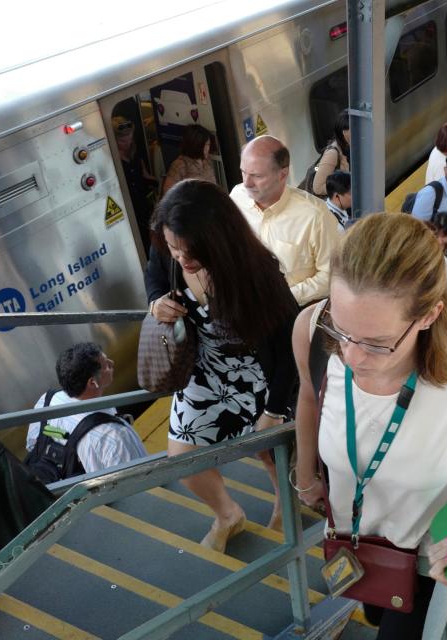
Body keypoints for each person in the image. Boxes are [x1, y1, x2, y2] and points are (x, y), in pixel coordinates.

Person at [290, 214, 447, 638]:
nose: (352, 357)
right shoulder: (310, 329)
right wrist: (306, 477)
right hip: (350, 538)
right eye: (341, 331)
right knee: (372, 611)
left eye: (378, 344)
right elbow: (309, 395)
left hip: (428, 563)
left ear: (430, 315)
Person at [146, 179, 299, 551]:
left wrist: (275, 409)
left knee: (267, 449)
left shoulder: (258, 274)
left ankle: (286, 503)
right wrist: (155, 301)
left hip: (255, 372)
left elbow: (290, 348)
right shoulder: (171, 247)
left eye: (191, 253)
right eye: (173, 249)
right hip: (204, 368)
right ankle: (229, 514)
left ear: (217, 240)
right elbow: (154, 273)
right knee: (182, 459)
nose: (181, 259)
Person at [230, 135, 339, 306]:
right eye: (243, 172)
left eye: (256, 176)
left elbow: (331, 275)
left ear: (283, 174)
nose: (247, 183)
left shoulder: (315, 216)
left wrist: (283, 298)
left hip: (292, 310)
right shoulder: (237, 196)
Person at [25, 343, 147, 476]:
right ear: (92, 382)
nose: (112, 363)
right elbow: (139, 480)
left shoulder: (46, 401)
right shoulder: (115, 436)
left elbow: (32, 446)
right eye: (106, 365)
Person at [113, 115, 158, 250]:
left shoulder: (136, 155)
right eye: (122, 140)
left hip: (142, 205)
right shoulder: (112, 160)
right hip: (127, 208)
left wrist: (157, 182)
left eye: (130, 138)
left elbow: (145, 176)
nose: (127, 143)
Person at [162, 124, 216, 195]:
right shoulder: (180, 164)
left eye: (208, 145)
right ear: (195, 145)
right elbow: (168, 194)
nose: (207, 149)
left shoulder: (207, 160)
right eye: (204, 145)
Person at [311, 109, 350, 196]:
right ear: (344, 132)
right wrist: (344, 187)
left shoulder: (347, 146)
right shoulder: (332, 154)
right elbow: (317, 188)